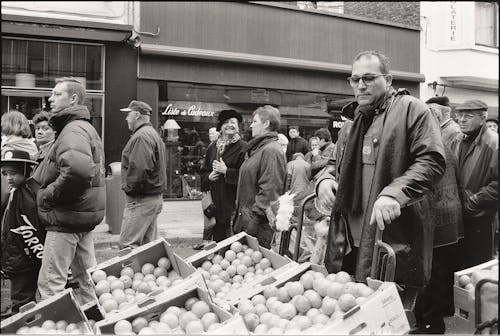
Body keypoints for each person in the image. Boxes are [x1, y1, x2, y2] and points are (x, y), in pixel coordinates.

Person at [316, 51, 445, 291]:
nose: (361, 85)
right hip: (348, 243)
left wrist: (394, 193)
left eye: (369, 78)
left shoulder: (412, 109)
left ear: (388, 80)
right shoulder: (351, 123)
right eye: (355, 79)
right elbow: (333, 165)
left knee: (390, 319)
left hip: (391, 241)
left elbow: (431, 161)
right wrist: (324, 180)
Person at [32, 77, 105, 306]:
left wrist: (47, 195)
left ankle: (53, 328)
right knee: (87, 282)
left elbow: (78, 172)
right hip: (79, 216)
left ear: (73, 99)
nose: (50, 99)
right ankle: (94, 324)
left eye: (56, 94)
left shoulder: (72, 130)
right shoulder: (81, 127)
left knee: (51, 284)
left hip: (66, 218)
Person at [413, 102, 465, 334]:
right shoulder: (440, 141)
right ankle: (437, 316)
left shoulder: (430, 145)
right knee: (441, 272)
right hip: (450, 219)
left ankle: (432, 324)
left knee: (432, 274)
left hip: (437, 220)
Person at [450, 99, 498, 268]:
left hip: (480, 218)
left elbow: (497, 185)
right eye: (459, 115)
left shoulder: (493, 142)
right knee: (459, 267)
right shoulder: (458, 139)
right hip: (460, 216)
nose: (461, 119)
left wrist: (473, 202)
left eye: (468, 116)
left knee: (476, 268)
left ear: (483, 118)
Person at [233, 105, 287, 248]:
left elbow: (270, 191)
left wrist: (253, 221)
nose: (251, 125)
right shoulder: (257, 149)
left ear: (266, 124)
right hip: (246, 221)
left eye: (255, 121)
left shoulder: (271, 150)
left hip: (258, 228)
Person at [119, 100, 167, 249]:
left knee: (128, 246)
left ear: (137, 115)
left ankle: (128, 272)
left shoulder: (141, 136)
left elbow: (139, 168)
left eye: (128, 115)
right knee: (148, 247)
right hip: (151, 198)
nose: (126, 118)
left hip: (142, 199)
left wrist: (129, 188)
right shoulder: (152, 134)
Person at [1, 150, 44, 316]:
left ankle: (22, 324)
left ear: (26, 171)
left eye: (14, 173)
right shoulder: (17, 191)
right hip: (17, 258)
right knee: (22, 297)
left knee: (22, 299)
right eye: (5, 174)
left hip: (23, 260)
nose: (9, 178)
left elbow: (31, 232)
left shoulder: (26, 195)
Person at [201, 110, 246, 242]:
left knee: (232, 244)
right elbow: (203, 171)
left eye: (233, 122)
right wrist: (209, 177)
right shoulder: (213, 147)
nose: (229, 125)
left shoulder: (244, 148)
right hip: (215, 204)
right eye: (226, 122)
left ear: (238, 127)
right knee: (216, 241)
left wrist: (226, 171)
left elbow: (247, 177)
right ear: (220, 128)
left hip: (233, 206)